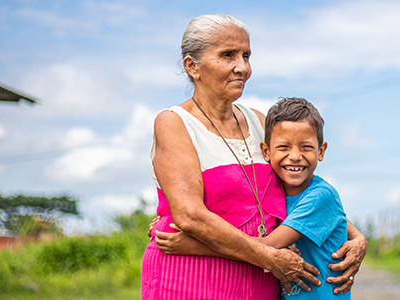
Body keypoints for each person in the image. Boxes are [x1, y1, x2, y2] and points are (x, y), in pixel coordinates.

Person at [142, 14, 366, 300]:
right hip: (192, 276)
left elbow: (304, 192)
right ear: (192, 66)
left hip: (262, 280)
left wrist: (358, 238)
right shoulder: (175, 123)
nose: (243, 68)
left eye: (246, 55)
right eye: (228, 55)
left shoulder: (259, 122)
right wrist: (269, 257)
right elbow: (190, 217)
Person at [157, 97, 351, 299]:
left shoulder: (321, 196)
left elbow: (267, 247)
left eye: (306, 148)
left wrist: (195, 246)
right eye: (284, 147)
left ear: (321, 151)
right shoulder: (278, 190)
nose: (294, 156)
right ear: (266, 151)